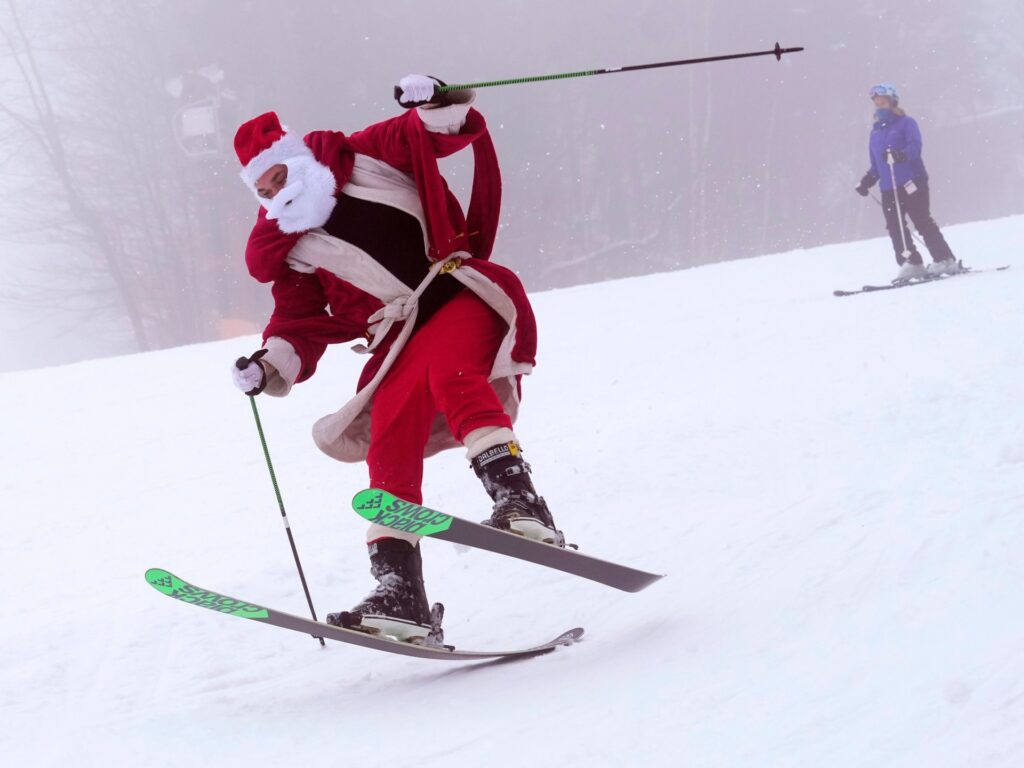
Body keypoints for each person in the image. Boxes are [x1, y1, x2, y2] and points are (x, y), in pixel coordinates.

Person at [229, 74, 563, 643]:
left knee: (451, 375)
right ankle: (400, 591)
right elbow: (297, 319)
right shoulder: (296, 248)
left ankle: (518, 497)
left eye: (281, 177)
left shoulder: (363, 157)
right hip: (400, 335)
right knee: (387, 435)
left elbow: (427, 132)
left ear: (299, 160)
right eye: (263, 191)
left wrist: (429, 101)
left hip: (457, 293)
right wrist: (269, 362)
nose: (277, 195)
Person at [854, 83, 960, 282]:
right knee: (895, 227)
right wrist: (867, 181)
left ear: (893, 102)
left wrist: (900, 155)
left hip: (912, 181)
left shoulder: (906, 123)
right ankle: (912, 263)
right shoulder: (875, 132)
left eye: (883, 103)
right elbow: (876, 164)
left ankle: (944, 259)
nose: (880, 107)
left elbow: (915, 148)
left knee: (921, 220)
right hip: (888, 187)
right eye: (877, 104)